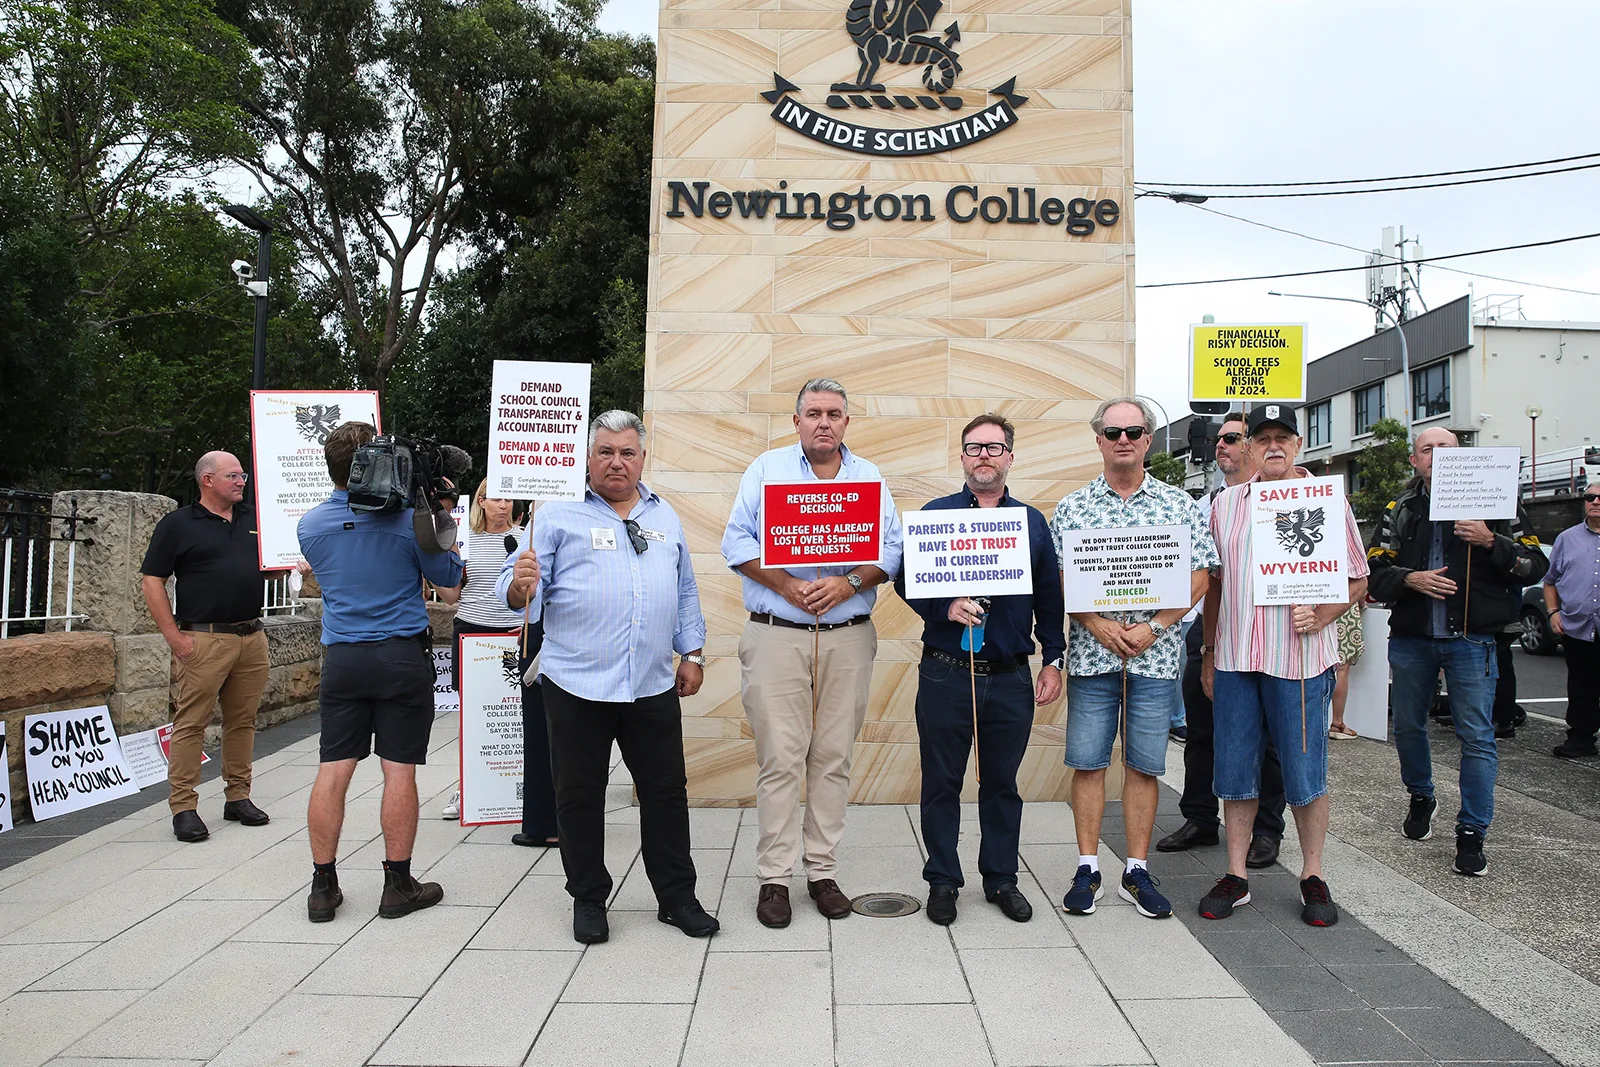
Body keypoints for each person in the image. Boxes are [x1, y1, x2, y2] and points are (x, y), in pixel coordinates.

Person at [498, 410, 718, 945]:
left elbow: (684, 588)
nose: (616, 462)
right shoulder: (554, 514)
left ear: (642, 458)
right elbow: (516, 594)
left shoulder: (664, 515)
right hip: (576, 684)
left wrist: (692, 652)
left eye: (627, 452)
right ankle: (589, 898)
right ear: (588, 457)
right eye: (606, 452)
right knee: (578, 795)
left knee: (666, 793)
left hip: (651, 683)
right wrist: (521, 584)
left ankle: (677, 898)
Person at [720, 378, 904, 929]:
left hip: (848, 635)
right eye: (814, 413)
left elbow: (892, 548)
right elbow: (736, 542)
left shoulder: (868, 476)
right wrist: (785, 584)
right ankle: (774, 878)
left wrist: (850, 583)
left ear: (847, 422)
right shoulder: (766, 469)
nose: (824, 422)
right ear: (797, 420)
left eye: (834, 414)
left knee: (833, 757)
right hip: (777, 632)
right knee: (780, 759)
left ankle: (822, 871)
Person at [1199, 404, 1368, 927]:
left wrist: (1322, 615)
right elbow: (1215, 584)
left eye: (1283, 438)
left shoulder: (1326, 499)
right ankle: (1236, 874)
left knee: (1303, 771)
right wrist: (1208, 652)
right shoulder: (1226, 504)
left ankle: (1313, 874)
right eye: (1263, 438)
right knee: (1235, 770)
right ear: (1249, 446)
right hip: (1235, 657)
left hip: (1299, 660)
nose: (1273, 446)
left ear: (1298, 445)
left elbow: (1358, 578)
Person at [1050, 398, 1217, 920]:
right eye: (1113, 431)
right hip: (1092, 656)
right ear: (1098, 439)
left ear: (1148, 439)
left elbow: (1200, 576)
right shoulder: (1073, 507)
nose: (1123, 439)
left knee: (1143, 765)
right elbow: (1059, 577)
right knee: (1088, 762)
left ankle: (1137, 871)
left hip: (1154, 658)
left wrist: (1154, 627)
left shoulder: (1179, 504)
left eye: (1133, 431)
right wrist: (1096, 624)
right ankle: (1087, 868)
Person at [897, 413, 1065, 926]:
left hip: (1010, 675)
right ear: (962, 457)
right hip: (946, 673)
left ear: (1009, 456)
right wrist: (944, 606)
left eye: (994, 447)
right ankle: (943, 880)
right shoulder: (936, 515)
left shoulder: (1031, 522)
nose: (984, 456)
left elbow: (1049, 596)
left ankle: (1001, 879)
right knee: (941, 782)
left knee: (1002, 784)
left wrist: (1053, 658)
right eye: (974, 447)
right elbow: (905, 579)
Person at [297, 422, 465, 923]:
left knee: (333, 769)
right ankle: (398, 884)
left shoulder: (310, 525)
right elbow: (449, 580)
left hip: (343, 658)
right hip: (399, 656)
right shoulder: (409, 522)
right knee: (399, 770)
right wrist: (439, 518)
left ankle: (322, 886)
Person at [1367, 427, 1545, 877]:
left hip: (1472, 640)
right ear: (1415, 461)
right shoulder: (1400, 507)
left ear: (1462, 455)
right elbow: (1373, 571)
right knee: (1407, 725)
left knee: (1477, 736)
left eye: (1445, 447)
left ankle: (1471, 831)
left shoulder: (1499, 503)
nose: (1436, 454)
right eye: (1426, 449)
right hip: (1412, 638)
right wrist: (1409, 579)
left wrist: (1490, 541)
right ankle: (1421, 794)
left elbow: (1534, 566)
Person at [1158, 413, 1288, 867]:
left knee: (1266, 737)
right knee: (1201, 727)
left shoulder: (1283, 497)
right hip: (1210, 626)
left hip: (1268, 628)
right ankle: (1199, 817)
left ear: (1252, 446)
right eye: (1219, 439)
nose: (1221, 445)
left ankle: (1266, 829)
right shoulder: (1207, 503)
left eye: (1232, 438)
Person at [140, 451, 276, 842]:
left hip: (251, 637)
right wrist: (175, 638)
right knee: (191, 723)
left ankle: (238, 796)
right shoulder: (178, 524)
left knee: (243, 721)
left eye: (243, 475)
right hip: (204, 639)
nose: (241, 481)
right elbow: (152, 580)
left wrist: (292, 566)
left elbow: (269, 569)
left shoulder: (254, 520)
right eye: (233, 475)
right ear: (207, 480)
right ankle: (183, 807)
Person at [433, 481, 558, 847]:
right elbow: (452, 595)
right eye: (495, 498)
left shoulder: (525, 539)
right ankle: (467, 788)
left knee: (516, 718)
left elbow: (533, 593)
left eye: (507, 498)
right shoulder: (464, 541)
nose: (503, 505)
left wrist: (527, 618)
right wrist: (437, 564)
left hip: (514, 636)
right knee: (474, 719)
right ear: (481, 501)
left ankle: (515, 789)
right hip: (472, 634)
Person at [1542, 487, 1600, 759]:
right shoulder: (1567, 539)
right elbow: (1550, 581)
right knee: (1580, 685)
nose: (1595, 502)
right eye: (1590, 497)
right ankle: (1581, 738)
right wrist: (1553, 612)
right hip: (1577, 626)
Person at [1328, 601, 1364, 740]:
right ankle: (1337, 723)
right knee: (1342, 668)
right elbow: (1360, 591)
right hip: (1343, 609)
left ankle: (1312, 722)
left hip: (1318, 608)